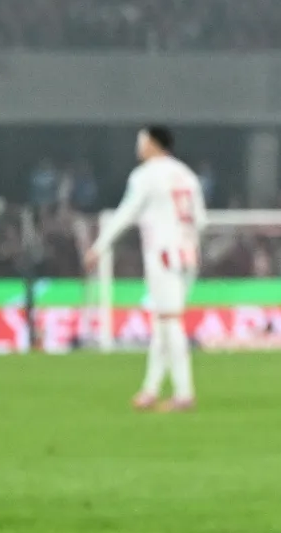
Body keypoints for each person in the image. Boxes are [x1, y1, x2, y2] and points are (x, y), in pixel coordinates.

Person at [85, 126, 205, 413]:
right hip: (188, 254)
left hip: (162, 254)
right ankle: (150, 390)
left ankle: (184, 393)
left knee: (169, 323)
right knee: (164, 324)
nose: (138, 147)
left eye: (141, 141)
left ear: (153, 144)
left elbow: (127, 212)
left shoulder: (145, 176)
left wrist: (100, 246)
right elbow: (200, 219)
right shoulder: (186, 174)